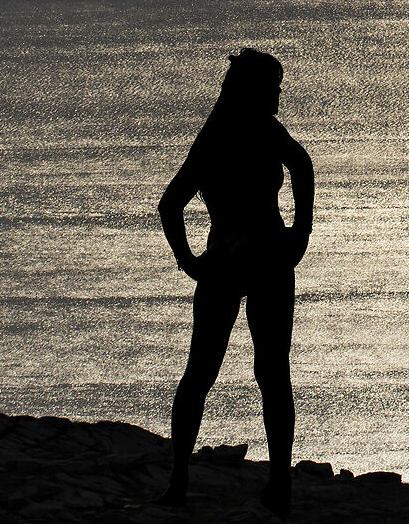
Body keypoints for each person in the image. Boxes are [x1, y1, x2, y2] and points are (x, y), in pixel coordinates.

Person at [156, 48, 314, 517]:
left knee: (204, 373)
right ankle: (277, 485)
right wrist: (299, 233)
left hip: (231, 260)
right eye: (273, 88)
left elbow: (171, 205)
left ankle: (181, 482)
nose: (279, 96)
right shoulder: (257, 132)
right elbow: (301, 166)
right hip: (262, 258)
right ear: (254, 91)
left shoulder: (220, 135)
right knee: (267, 373)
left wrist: (190, 261)